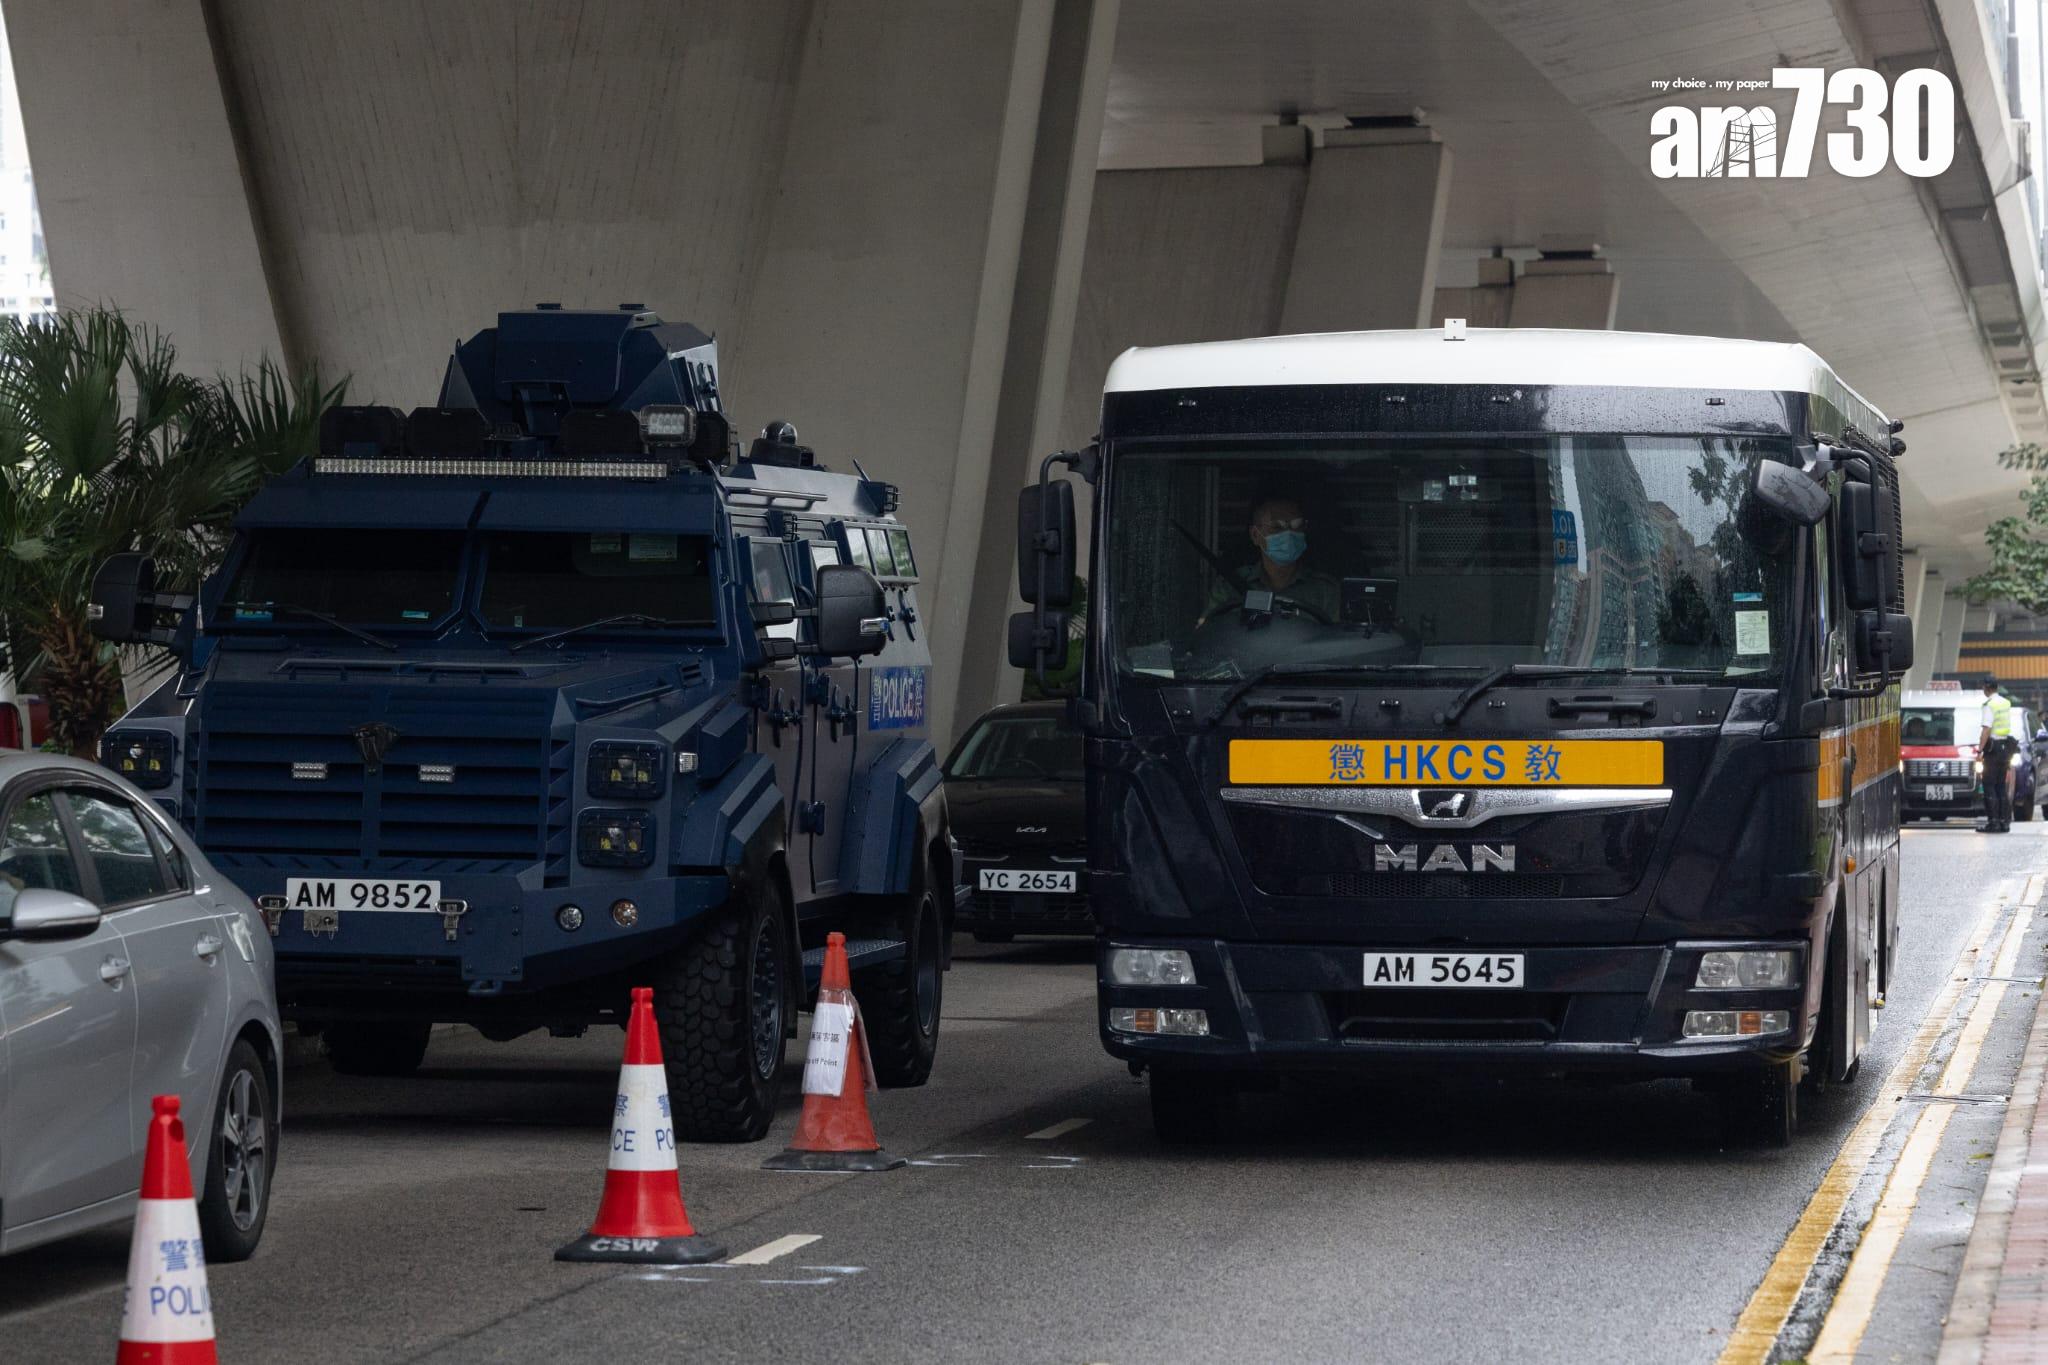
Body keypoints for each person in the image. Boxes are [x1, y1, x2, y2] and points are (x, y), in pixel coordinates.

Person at [1200, 496, 1342, 624]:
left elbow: (1337, 646)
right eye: (1277, 527)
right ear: (1255, 535)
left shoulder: (1325, 591)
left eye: (1297, 526)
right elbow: (1208, 636)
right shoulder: (1228, 587)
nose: (1288, 534)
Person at [1980, 678, 2018, 833]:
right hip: (2005, 748)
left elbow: (1986, 730)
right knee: (2001, 785)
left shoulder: (1989, 705)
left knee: (1989, 785)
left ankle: (1993, 822)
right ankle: (2004, 822)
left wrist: (1980, 749)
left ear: (1987, 688)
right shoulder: (2005, 702)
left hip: (1993, 749)